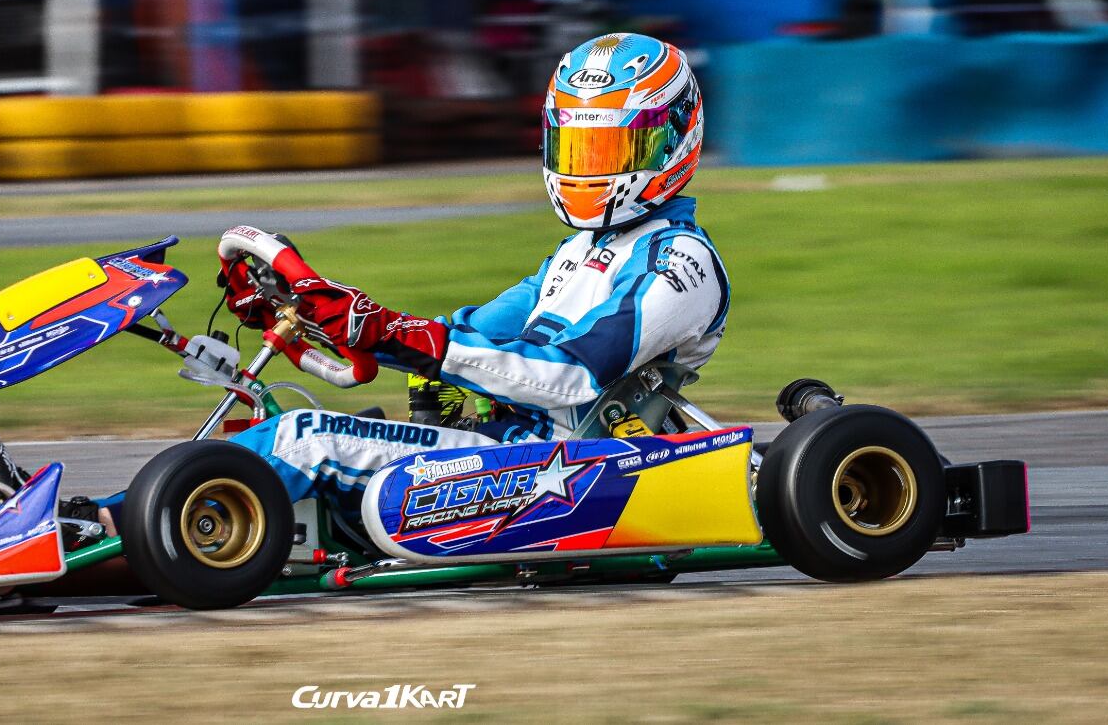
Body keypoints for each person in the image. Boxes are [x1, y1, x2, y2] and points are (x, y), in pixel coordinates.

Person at [220, 32, 729, 513]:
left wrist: (402, 335)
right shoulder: (580, 250)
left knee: (304, 438)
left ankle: (152, 534)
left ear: (673, 142)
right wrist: (315, 313)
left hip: (563, 472)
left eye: (608, 150)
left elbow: (571, 376)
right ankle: (157, 534)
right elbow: (462, 337)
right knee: (273, 435)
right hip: (501, 452)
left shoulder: (680, 260)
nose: (586, 170)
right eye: (576, 148)